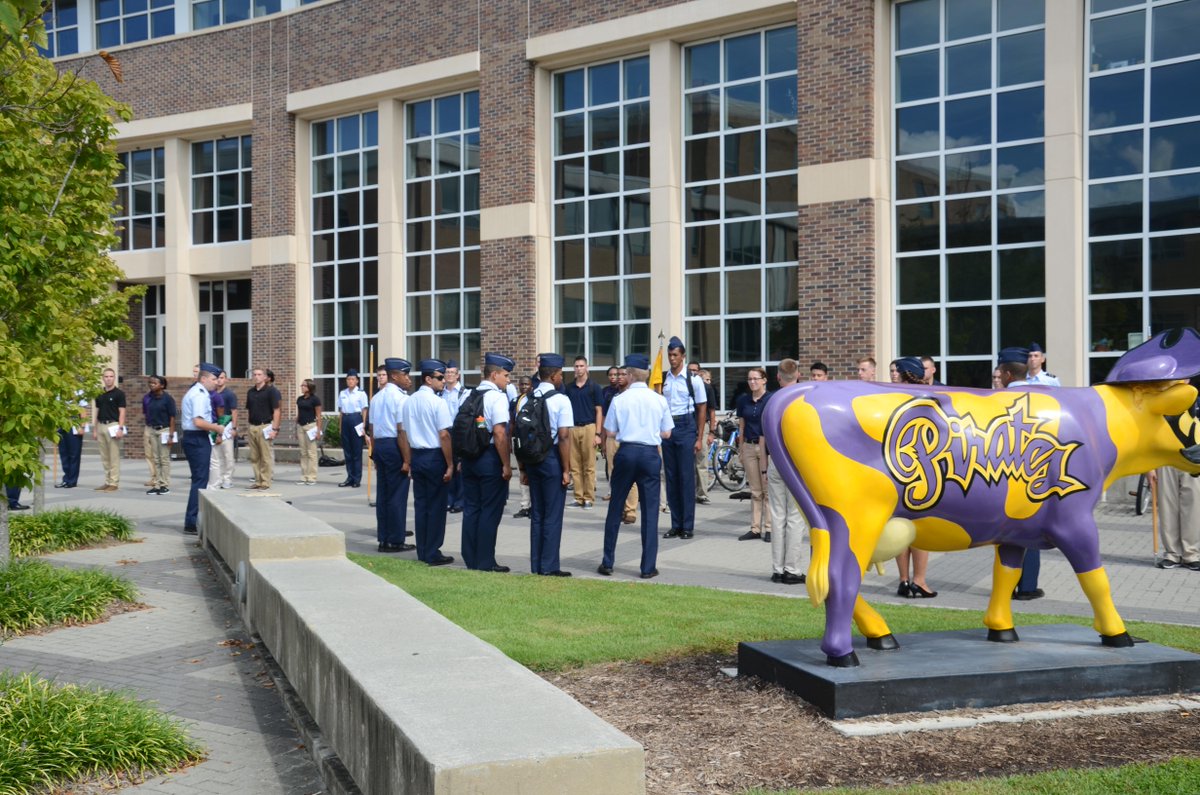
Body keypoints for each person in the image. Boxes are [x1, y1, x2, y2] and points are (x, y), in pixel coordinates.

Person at [597, 353, 673, 579]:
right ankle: (647, 567)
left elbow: (610, 431)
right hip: (649, 453)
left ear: (630, 375)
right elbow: (667, 432)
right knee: (650, 511)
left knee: (616, 506)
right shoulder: (659, 399)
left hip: (627, 451)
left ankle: (608, 561)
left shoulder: (620, 399)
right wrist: (650, 431)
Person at [519, 352, 574, 576]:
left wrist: (522, 468)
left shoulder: (528, 398)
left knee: (538, 514)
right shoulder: (561, 400)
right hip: (551, 459)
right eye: (561, 374)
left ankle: (536, 565)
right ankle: (549, 566)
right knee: (552, 515)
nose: (562, 378)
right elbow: (563, 437)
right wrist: (567, 469)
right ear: (553, 376)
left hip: (532, 460)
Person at [461, 353, 514, 572]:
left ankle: (471, 558)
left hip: (470, 457)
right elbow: (500, 433)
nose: (508, 380)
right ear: (494, 374)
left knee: (472, 509)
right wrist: (506, 464)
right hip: (490, 456)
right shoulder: (497, 397)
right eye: (506, 375)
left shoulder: (469, 394)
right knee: (490, 511)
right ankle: (485, 561)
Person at [399, 359, 455, 566]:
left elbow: (403, 434)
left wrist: (409, 460)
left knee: (422, 505)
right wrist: (449, 464)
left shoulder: (409, 401)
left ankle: (423, 549)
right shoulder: (437, 402)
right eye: (440, 377)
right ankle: (432, 551)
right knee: (436, 506)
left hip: (418, 455)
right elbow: (444, 435)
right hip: (434, 456)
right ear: (428, 379)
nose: (443, 381)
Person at [891, 356, 937, 599]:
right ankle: (913, 580)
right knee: (915, 527)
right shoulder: (927, 397)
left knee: (908, 526)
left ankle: (909, 580)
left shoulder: (895, 398)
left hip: (904, 465)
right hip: (917, 467)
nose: (893, 375)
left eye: (896, 371)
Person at [764, 359, 808, 584]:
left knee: (777, 515)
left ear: (778, 377)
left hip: (776, 461)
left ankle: (777, 568)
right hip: (796, 462)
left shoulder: (772, 400)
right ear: (798, 375)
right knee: (795, 517)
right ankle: (792, 568)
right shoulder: (803, 399)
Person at [1151, 381, 1200, 570]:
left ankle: (1191, 554)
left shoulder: (1196, 397)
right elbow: (1151, 433)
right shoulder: (1162, 399)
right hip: (1166, 458)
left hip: (1194, 459)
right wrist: (1150, 467)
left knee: (1193, 507)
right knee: (1167, 507)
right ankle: (1172, 554)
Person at [661, 337, 707, 540]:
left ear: (683, 356)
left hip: (686, 426)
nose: (672, 359)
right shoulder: (664, 378)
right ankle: (675, 524)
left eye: (675, 355)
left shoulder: (693, 379)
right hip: (668, 428)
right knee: (671, 477)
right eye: (670, 355)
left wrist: (699, 437)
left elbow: (702, 407)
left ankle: (687, 526)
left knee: (686, 478)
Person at [371, 358, 414, 553]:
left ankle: (384, 538)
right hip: (394, 445)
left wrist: (374, 454)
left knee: (384, 495)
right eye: (405, 375)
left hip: (380, 445)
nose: (409, 379)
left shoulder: (377, 397)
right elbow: (401, 431)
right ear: (395, 376)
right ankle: (395, 540)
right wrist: (407, 460)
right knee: (397, 494)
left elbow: (371, 429)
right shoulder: (401, 398)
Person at [180, 363, 224, 534]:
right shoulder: (200, 395)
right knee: (200, 480)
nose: (217, 383)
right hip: (197, 438)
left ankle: (193, 519)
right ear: (204, 379)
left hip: (195, 438)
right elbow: (198, 422)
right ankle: (191, 521)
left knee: (200, 479)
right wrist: (217, 428)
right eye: (214, 379)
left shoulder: (198, 392)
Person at [735, 366, 773, 542]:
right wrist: (741, 448)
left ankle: (769, 527)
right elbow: (741, 425)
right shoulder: (744, 401)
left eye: (756, 378)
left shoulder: (771, 399)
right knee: (755, 490)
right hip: (749, 446)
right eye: (750, 379)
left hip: (766, 449)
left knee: (767, 490)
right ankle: (755, 528)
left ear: (764, 380)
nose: (752, 382)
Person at [563, 355, 602, 510]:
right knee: (575, 465)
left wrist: (598, 434)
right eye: (576, 366)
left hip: (589, 427)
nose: (579, 369)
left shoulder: (594, 387)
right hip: (573, 428)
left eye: (581, 366)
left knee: (589, 465)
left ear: (587, 367)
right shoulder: (569, 388)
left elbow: (599, 410)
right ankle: (578, 497)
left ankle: (589, 498)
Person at [601, 367, 639, 525]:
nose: (619, 377)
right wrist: (603, 440)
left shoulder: (634, 396)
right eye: (617, 375)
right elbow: (604, 417)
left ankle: (630, 510)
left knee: (631, 475)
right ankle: (620, 508)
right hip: (612, 438)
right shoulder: (610, 394)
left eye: (623, 374)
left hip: (628, 438)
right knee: (614, 474)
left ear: (630, 376)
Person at [245, 367, 281, 489]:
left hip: (265, 425)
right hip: (253, 426)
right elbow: (249, 410)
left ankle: (265, 481)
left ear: (265, 377)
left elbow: (277, 411)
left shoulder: (272, 391)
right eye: (254, 374)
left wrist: (275, 429)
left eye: (259, 374)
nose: (256, 376)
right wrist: (248, 426)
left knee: (266, 456)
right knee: (254, 456)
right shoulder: (250, 392)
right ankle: (258, 480)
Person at [91, 367, 126, 491]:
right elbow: (97, 411)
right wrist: (95, 429)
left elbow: (122, 412)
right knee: (105, 456)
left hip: (113, 425)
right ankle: (107, 480)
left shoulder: (119, 394)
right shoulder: (99, 394)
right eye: (106, 376)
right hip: (101, 425)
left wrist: (120, 428)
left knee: (114, 456)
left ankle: (114, 482)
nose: (108, 379)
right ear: (103, 378)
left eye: (111, 376)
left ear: (114, 378)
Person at [689, 361, 718, 505]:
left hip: (703, 427)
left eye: (695, 370)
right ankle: (688, 492)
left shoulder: (707, 388)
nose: (693, 372)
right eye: (690, 370)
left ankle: (702, 494)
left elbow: (712, 411)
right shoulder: (684, 387)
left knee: (702, 461)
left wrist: (712, 432)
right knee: (687, 462)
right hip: (686, 427)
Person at [143, 375, 176, 495]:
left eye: (155, 383)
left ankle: (164, 484)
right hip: (153, 430)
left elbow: (172, 418)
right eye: (150, 382)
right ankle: (156, 484)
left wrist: (171, 436)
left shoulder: (168, 399)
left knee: (164, 459)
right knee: (155, 459)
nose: (151, 384)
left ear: (162, 385)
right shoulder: (149, 398)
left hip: (164, 430)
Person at [337, 368, 369, 488]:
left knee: (356, 451)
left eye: (353, 379)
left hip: (356, 419)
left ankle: (357, 478)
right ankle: (349, 477)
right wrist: (340, 427)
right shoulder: (343, 393)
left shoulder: (361, 393)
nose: (350, 381)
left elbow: (364, 410)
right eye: (348, 379)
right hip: (346, 419)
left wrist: (364, 425)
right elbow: (341, 411)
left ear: (357, 381)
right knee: (348, 452)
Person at [441, 360, 465, 512]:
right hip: (444, 432)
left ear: (458, 376)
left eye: (452, 373)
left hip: (459, 432)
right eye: (447, 372)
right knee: (446, 465)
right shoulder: (440, 393)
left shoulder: (463, 392)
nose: (449, 375)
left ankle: (460, 501)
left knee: (459, 467)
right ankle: (449, 499)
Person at [209, 370, 238, 489]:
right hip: (214, 426)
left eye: (222, 378)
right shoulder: (211, 393)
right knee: (216, 456)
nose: (219, 380)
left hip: (227, 426)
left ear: (225, 379)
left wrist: (234, 428)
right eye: (218, 378)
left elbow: (234, 411)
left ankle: (227, 479)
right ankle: (218, 478)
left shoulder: (229, 394)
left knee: (228, 455)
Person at [510, 375, 533, 519]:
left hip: (532, 442)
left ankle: (535, 507)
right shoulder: (515, 401)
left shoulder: (535, 401)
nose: (524, 387)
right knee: (523, 473)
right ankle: (525, 506)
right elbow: (511, 422)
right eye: (522, 384)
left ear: (532, 386)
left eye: (527, 384)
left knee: (533, 473)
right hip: (518, 441)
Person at [55, 390, 88, 489]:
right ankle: (66, 479)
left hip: (74, 423)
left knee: (74, 454)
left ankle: (72, 480)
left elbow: (83, 411)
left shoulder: (79, 392)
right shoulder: (59, 392)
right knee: (63, 453)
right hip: (62, 424)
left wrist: (82, 426)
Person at [295, 379, 322, 485]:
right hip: (300, 426)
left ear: (309, 387)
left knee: (311, 452)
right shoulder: (299, 399)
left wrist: (318, 430)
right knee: (303, 452)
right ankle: (304, 475)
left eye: (304, 385)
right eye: (301, 385)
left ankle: (312, 476)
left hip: (310, 426)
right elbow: (299, 413)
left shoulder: (315, 399)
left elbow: (319, 415)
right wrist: (295, 427)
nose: (301, 387)